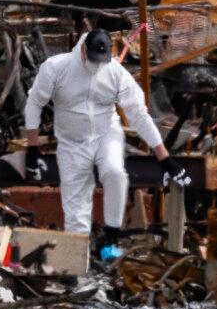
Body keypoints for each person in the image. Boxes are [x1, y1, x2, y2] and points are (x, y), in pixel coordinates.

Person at [23, 29, 189, 250]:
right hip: (72, 142)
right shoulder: (56, 68)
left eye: (101, 61)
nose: (96, 66)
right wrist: (32, 148)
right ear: (83, 50)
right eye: (92, 60)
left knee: (115, 173)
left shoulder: (115, 73)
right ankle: (76, 267)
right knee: (76, 211)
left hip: (105, 134)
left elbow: (138, 115)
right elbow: (35, 102)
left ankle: (111, 237)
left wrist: (164, 159)